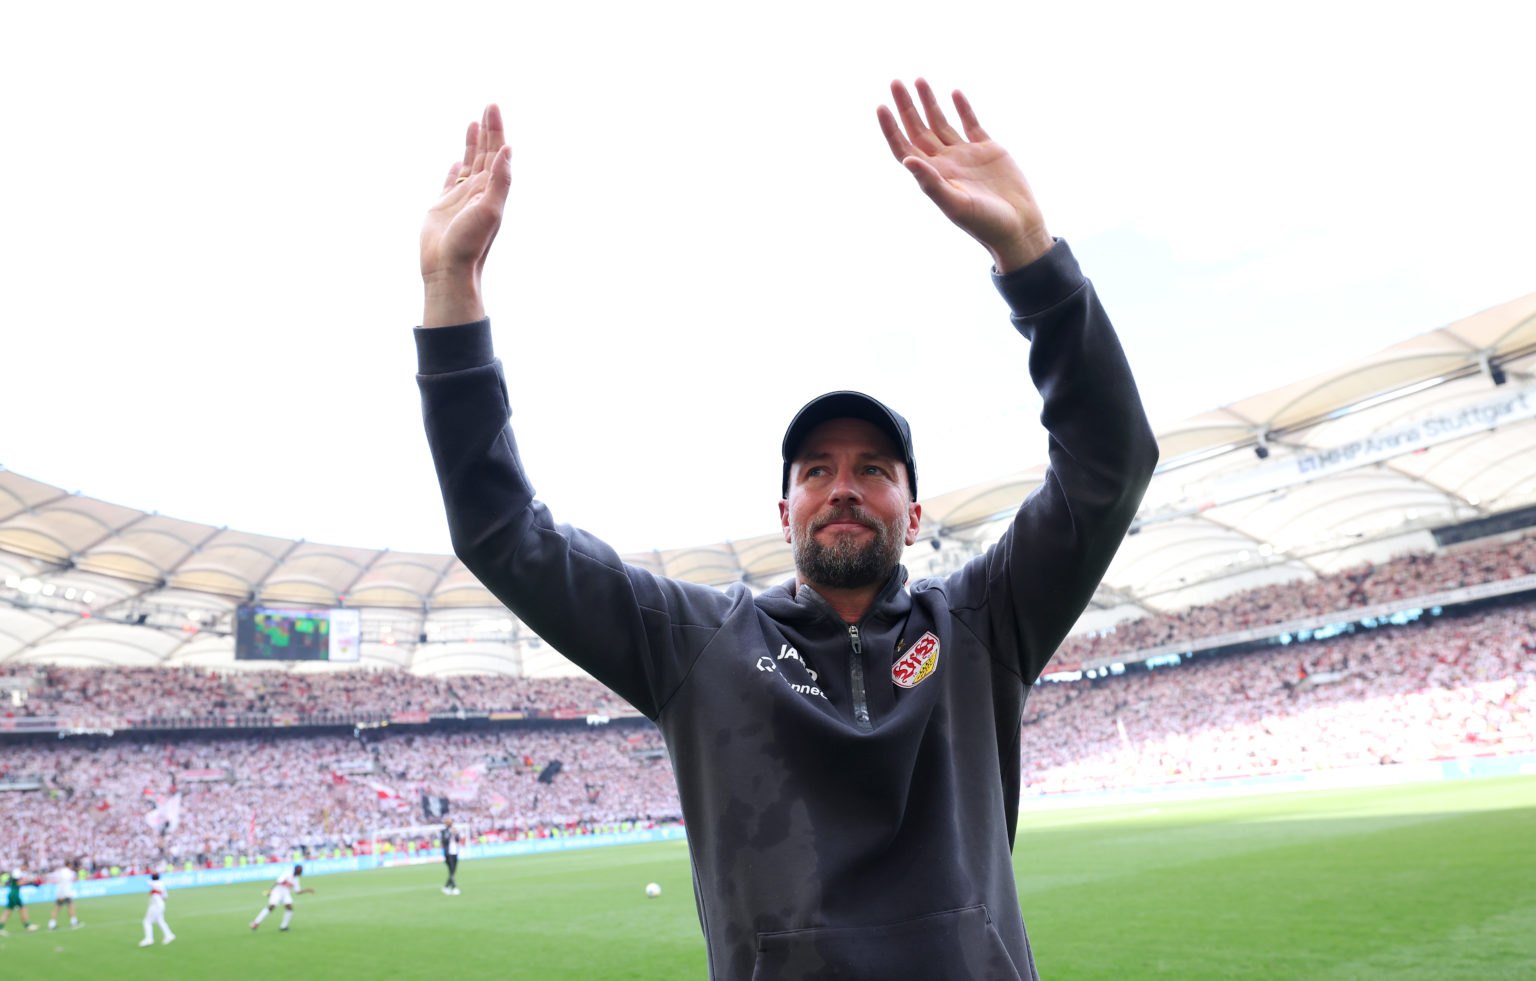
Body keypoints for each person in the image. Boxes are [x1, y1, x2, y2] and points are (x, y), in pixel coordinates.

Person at [415, 79, 1157, 981]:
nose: (843, 488)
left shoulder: (983, 625)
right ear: (786, 511)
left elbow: (1109, 464)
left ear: (913, 513)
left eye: (874, 470)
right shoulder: (696, 643)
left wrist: (1028, 255)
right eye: (817, 471)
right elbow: (500, 532)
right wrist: (451, 284)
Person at [249, 863, 315, 932]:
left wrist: (308, 890)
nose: (301, 872)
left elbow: (297, 891)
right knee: (272, 906)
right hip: (277, 891)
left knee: (290, 908)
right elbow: (278, 881)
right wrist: (271, 890)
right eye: (300, 871)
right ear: (296, 870)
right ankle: (255, 923)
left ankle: (284, 926)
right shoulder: (287, 873)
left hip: (285, 893)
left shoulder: (296, 878)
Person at [139, 872, 174, 947]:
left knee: (147, 922)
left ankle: (149, 939)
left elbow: (148, 882)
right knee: (160, 920)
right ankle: (169, 935)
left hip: (155, 906)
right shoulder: (161, 885)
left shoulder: (155, 883)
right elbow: (165, 897)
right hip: (160, 904)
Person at [0, 868, 39, 934]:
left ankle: (27, 925)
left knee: (23, 909)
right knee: (8, 912)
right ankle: (0, 928)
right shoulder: (17, 872)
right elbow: (19, 883)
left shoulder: (17, 871)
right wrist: (30, 882)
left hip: (15, 895)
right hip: (14, 895)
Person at [47, 859, 80, 930]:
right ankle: (73, 922)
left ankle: (52, 923)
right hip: (65, 894)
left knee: (59, 908)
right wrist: (62, 894)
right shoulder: (67, 873)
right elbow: (63, 884)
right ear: (69, 865)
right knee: (68, 907)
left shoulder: (62, 872)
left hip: (62, 893)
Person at [440, 817, 461, 895]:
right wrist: (450, 834)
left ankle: (446, 887)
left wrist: (455, 834)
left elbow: (458, 840)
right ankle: (454, 887)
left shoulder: (454, 831)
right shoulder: (444, 831)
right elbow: (444, 841)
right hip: (448, 854)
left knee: (453, 871)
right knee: (451, 871)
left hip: (455, 852)